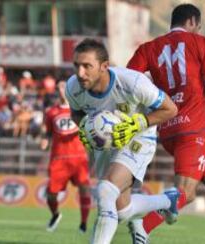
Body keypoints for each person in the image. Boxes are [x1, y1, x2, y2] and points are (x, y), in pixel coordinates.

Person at [126, 3, 205, 244]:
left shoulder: (149, 48)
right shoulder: (201, 43)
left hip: (167, 128)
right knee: (186, 194)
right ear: (191, 21)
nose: (198, 30)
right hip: (193, 129)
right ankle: (143, 225)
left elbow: (129, 80)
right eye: (198, 26)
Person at [65, 38, 179, 244]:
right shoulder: (73, 87)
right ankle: (167, 200)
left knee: (105, 190)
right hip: (106, 143)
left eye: (87, 66)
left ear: (104, 66)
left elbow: (170, 109)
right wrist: (83, 127)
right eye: (76, 65)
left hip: (139, 137)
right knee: (123, 210)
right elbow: (76, 112)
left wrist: (137, 124)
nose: (80, 73)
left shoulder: (132, 83)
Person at [41, 80, 91, 233]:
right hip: (58, 159)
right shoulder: (51, 113)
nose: (60, 90)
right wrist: (44, 142)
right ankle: (55, 214)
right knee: (51, 194)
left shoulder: (81, 109)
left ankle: (83, 223)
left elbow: (89, 128)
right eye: (58, 87)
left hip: (78, 157)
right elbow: (47, 133)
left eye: (63, 86)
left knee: (84, 189)